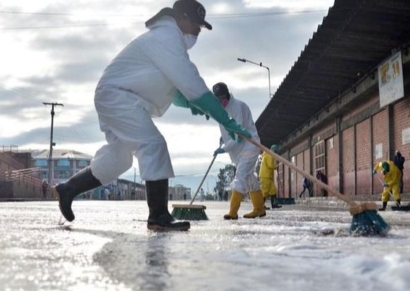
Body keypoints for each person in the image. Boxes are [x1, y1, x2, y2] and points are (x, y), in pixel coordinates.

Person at [55, 0, 251, 232]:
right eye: (196, 24)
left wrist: (189, 103)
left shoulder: (168, 41)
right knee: (153, 144)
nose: (199, 30)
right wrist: (227, 121)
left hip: (120, 98)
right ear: (181, 17)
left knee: (120, 158)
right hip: (118, 97)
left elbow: (174, 87)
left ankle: (68, 189)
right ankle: (158, 216)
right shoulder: (167, 38)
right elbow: (193, 84)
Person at [211, 82, 265, 220]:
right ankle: (259, 208)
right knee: (249, 177)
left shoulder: (238, 107)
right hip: (236, 150)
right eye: (216, 99)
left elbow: (238, 135)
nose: (219, 101)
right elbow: (227, 129)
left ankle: (233, 211)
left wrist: (224, 148)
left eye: (221, 97)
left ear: (227, 94)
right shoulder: (220, 109)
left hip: (249, 145)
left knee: (240, 175)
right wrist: (223, 137)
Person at [259, 144, 281, 209]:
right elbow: (270, 165)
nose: (276, 153)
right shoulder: (269, 155)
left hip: (268, 176)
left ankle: (274, 205)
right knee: (264, 192)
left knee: (273, 190)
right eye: (276, 151)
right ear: (274, 150)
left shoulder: (267, 154)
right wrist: (276, 166)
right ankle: (260, 206)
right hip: (265, 176)